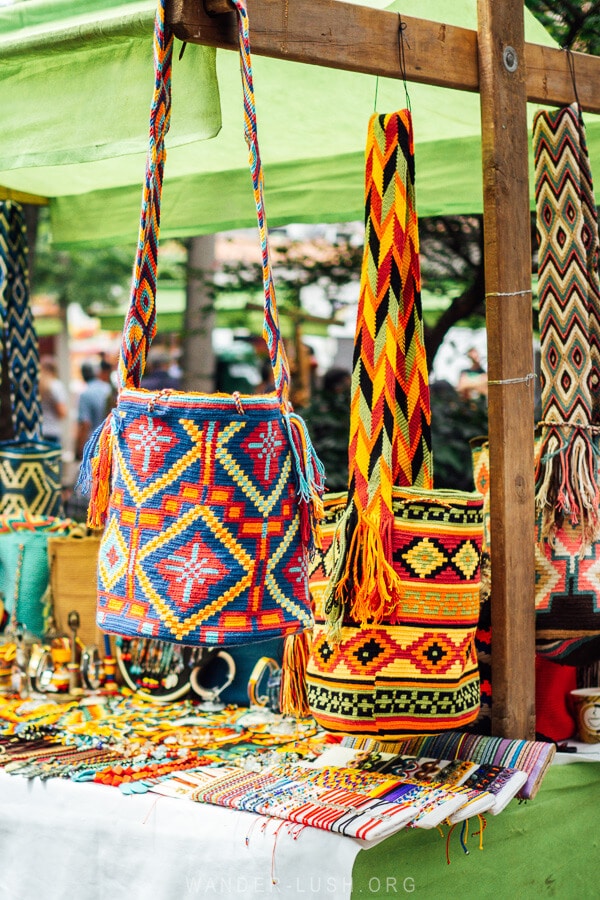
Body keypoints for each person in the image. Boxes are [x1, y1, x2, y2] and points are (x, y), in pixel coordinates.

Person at [76, 359, 114, 460]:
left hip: (93, 445)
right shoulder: (108, 388)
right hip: (110, 440)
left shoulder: (85, 394)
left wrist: (79, 449)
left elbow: (85, 424)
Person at [39, 355, 68, 445]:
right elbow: (62, 412)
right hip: (52, 432)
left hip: (38, 432)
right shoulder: (56, 386)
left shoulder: (37, 386)